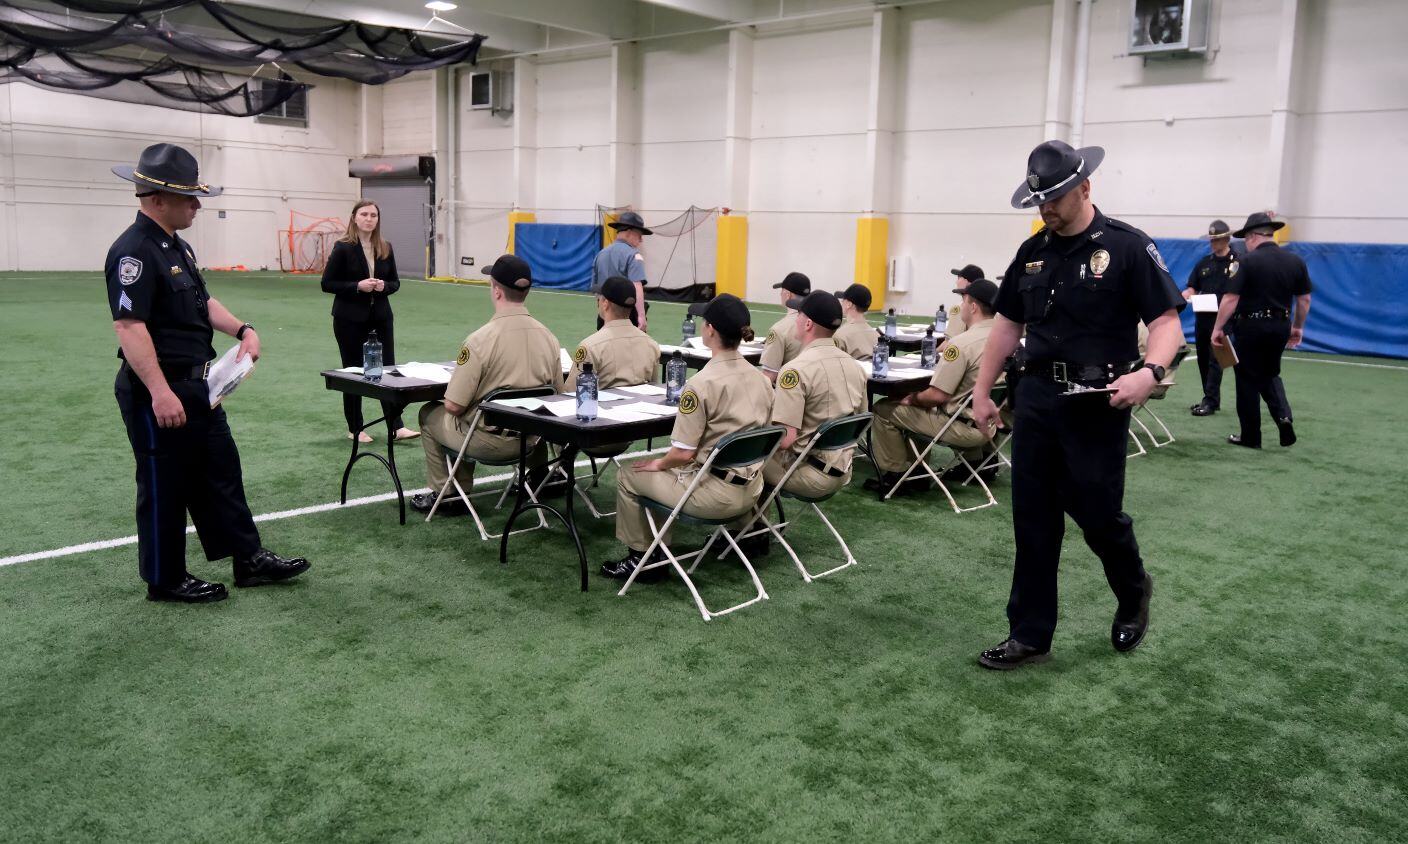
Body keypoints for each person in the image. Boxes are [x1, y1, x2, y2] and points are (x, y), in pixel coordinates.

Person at [970, 140, 1185, 669]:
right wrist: (981, 390)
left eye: (1055, 198)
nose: (1045, 209)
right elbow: (1007, 324)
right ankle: (1029, 633)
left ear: (1085, 187)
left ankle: (1134, 591)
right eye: (1039, 200)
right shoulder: (1032, 253)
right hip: (1038, 399)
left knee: (1098, 516)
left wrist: (1150, 373)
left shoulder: (1128, 247)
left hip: (1097, 402)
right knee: (1034, 520)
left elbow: (1166, 324)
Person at [107, 143, 309, 603]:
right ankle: (166, 579)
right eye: (188, 197)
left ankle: (248, 559)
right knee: (164, 485)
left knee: (221, 470)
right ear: (157, 198)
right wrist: (159, 392)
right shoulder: (133, 252)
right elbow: (129, 325)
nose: (197, 205)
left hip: (199, 384)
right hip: (158, 389)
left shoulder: (176, 246)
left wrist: (243, 328)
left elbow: (203, 301)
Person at [601, 294, 773, 580]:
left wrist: (657, 464)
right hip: (751, 490)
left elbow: (683, 454)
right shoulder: (761, 380)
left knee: (629, 475)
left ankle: (643, 559)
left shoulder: (701, 383)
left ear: (710, 330)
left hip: (714, 496)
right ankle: (748, 533)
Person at [410, 254, 563, 514]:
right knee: (528, 413)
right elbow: (558, 395)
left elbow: (454, 405)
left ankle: (447, 493)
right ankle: (538, 476)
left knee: (430, 413)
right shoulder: (548, 337)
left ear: (496, 290)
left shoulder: (480, 340)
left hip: (489, 442)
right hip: (530, 441)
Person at [865, 278, 1001, 494]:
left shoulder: (962, 344)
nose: (961, 306)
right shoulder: (1007, 339)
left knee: (884, 409)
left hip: (961, 427)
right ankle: (917, 472)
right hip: (989, 424)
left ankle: (898, 476)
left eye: (964, 301)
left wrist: (913, 398)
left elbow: (937, 396)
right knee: (916, 408)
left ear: (973, 307)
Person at [1212, 212, 1312, 449]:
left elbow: (1230, 298)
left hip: (1251, 326)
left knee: (1246, 378)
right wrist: (1297, 327)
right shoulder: (1295, 261)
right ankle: (1283, 417)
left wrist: (1217, 328)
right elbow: (1304, 299)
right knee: (1270, 373)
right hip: (1280, 326)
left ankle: (1250, 437)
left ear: (1252, 236)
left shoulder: (1245, 262)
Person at [321, 199, 417, 442]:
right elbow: (327, 283)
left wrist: (385, 286)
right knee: (354, 372)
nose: (369, 219)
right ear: (354, 217)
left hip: (381, 318)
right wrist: (357, 286)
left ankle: (396, 426)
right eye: (364, 214)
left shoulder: (385, 247)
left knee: (386, 371)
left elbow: (395, 282)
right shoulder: (343, 247)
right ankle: (355, 428)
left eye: (373, 215)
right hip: (349, 319)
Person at [764, 291, 867, 499]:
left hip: (809, 473)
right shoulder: (855, 367)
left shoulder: (795, 370)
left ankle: (750, 527)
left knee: (742, 460)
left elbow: (786, 439)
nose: (795, 318)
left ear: (808, 324)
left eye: (799, 314)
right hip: (844, 470)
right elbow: (860, 421)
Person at [1183, 220, 1239, 416]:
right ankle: (1210, 398)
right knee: (1204, 360)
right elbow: (1192, 286)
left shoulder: (1237, 262)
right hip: (1203, 318)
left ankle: (1210, 400)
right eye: (1212, 240)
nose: (1214, 243)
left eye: (1217, 239)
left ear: (1227, 238)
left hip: (1224, 320)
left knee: (1217, 360)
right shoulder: (1204, 263)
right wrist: (1187, 294)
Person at [567, 276, 661, 388]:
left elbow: (571, 393)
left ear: (605, 304)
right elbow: (653, 389)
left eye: (599, 298)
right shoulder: (651, 345)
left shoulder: (590, 347)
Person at [591, 211, 651, 330]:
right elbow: (636, 286)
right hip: (627, 317)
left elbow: (596, 290)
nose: (641, 240)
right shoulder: (634, 256)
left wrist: (603, 314)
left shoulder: (600, 254)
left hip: (604, 315)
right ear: (629, 232)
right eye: (639, 235)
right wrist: (641, 316)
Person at [758, 272, 812, 382]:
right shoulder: (818, 323)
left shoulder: (780, 329)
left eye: (781, 291)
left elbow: (769, 375)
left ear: (788, 295)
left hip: (789, 390)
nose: (780, 295)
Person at [832, 283, 877, 360]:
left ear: (849, 304)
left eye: (843, 300)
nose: (842, 303)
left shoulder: (839, 336)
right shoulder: (876, 335)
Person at [945, 264, 985, 340]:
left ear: (967, 282)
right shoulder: (987, 305)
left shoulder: (961, 307)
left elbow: (950, 342)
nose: (956, 282)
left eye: (959, 278)